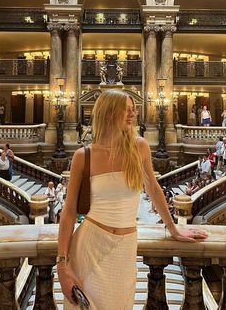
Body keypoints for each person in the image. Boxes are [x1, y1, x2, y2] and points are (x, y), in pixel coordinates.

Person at [57, 89, 207, 310]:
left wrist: (174, 229)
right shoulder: (83, 156)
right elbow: (69, 211)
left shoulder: (139, 147)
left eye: (133, 110)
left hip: (125, 250)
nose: (132, 115)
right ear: (109, 113)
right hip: (89, 248)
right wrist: (62, 265)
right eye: (125, 110)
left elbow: (154, 189)